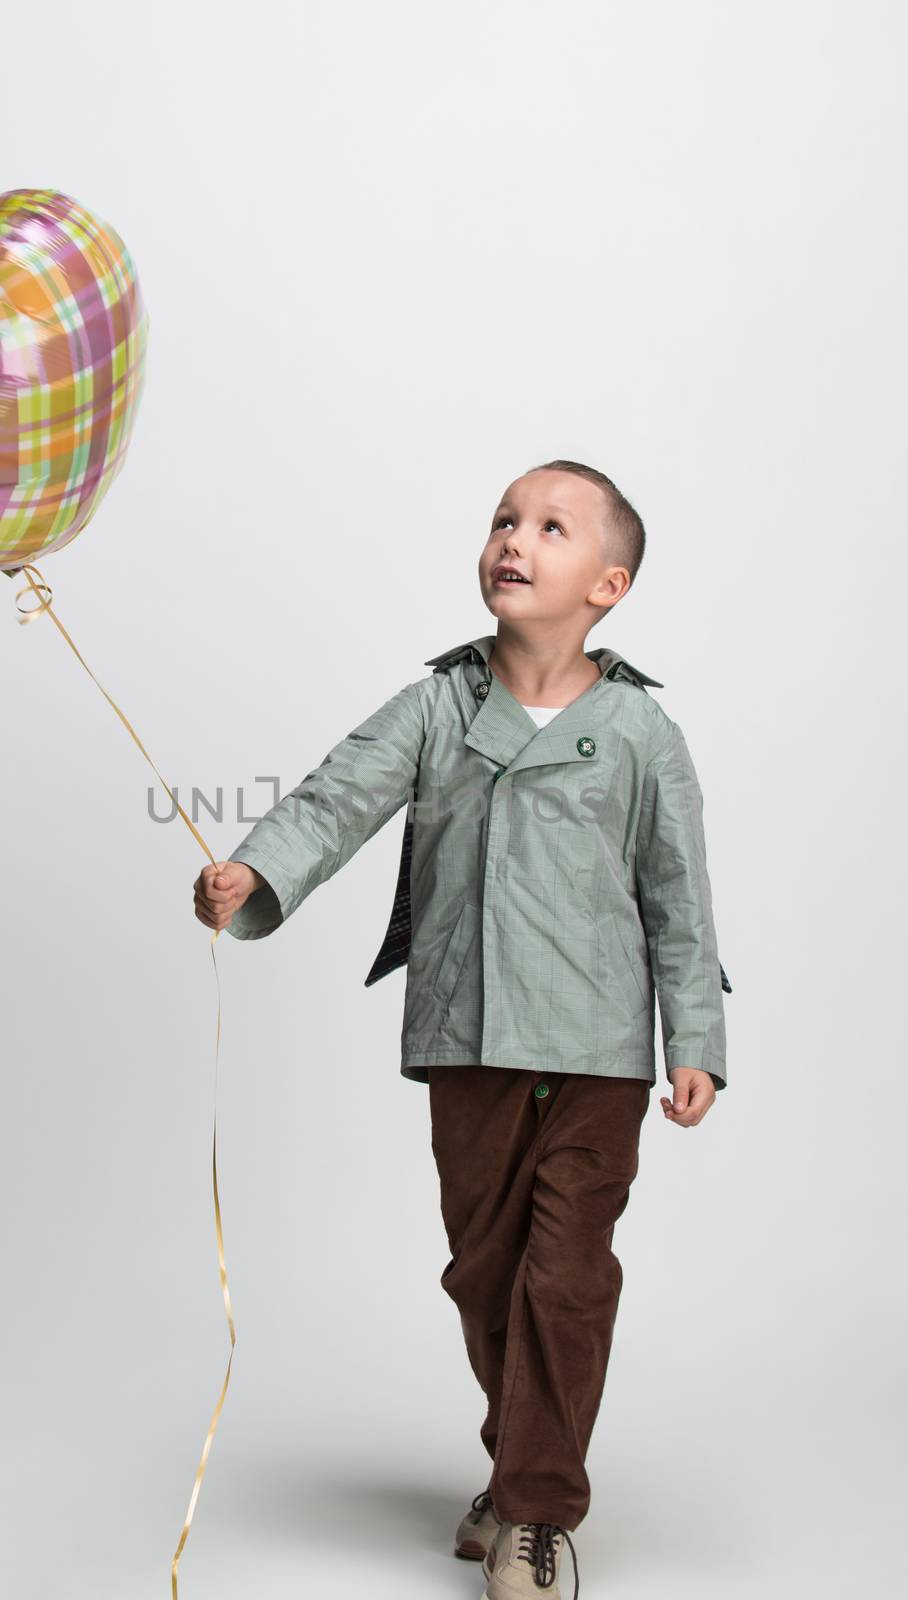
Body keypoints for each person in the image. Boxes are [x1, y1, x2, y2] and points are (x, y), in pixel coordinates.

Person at [193, 459, 729, 1600]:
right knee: (487, 1273)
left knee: (568, 1276)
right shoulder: (440, 703)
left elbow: (680, 896)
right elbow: (338, 797)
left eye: (550, 525)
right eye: (501, 518)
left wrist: (693, 1040)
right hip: (467, 1032)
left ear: (610, 583)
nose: (513, 539)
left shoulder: (640, 729)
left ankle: (536, 1509)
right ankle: (517, 1456)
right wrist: (256, 872)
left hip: (596, 1053)